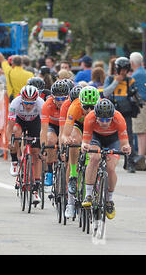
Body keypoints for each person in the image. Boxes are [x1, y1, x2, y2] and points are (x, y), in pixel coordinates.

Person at [81, 99, 132, 219]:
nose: (104, 123)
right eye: (101, 120)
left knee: (110, 168)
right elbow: (86, 140)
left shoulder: (118, 118)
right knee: (94, 158)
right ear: (96, 117)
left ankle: (109, 200)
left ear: (112, 117)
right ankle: (88, 194)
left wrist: (126, 147)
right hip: (96, 137)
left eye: (107, 120)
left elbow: (124, 142)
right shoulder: (90, 117)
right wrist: (85, 145)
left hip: (113, 139)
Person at [60, 86, 100, 218]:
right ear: (81, 103)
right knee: (74, 139)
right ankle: (72, 178)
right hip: (78, 125)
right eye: (86, 107)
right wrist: (67, 139)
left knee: (95, 152)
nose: (89, 110)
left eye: (92, 107)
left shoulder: (101, 108)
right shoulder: (74, 107)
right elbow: (65, 133)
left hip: (94, 127)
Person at [7, 85, 44, 204]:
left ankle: (36, 188)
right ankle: (14, 160)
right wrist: (9, 141)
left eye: (31, 103)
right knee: (15, 132)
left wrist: (43, 143)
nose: (28, 106)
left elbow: (44, 127)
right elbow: (10, 125)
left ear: (36, 101)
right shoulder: (15, 103)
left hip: (35, 122)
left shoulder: (41, 104)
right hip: (20, 120)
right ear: (21, 100)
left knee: (36, 153)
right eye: (26, 103)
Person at [103, 57, 139, 173]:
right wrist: (116, 81)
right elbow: (106, 92)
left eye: (126, 69)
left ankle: (130, 162)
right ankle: (106, 159)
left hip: (126, 111)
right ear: (117, 69)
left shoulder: (130, 80)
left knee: (128, 136)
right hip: (112, 111)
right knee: (108, 135)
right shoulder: (110, 78)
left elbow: (134, 96)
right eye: (121, 69)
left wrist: (135, 96)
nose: (123, 72)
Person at [40, 80, 70, 187]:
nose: (60, 101)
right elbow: (43, 129)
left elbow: (64, 131)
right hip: (52, 126)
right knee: (50, 140)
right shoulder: (47, 105)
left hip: (66, 126)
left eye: (63, 98)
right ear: (52, 97)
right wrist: (43, 146)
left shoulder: (69, 105)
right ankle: (49, 172)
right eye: (57, 98)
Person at [0, 36, 33, 101]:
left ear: (12, 64)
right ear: (21, 63)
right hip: (27, 100)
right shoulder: (30, 74)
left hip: (13, 99)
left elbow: (1, 58)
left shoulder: (9, 71)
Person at [130, 52, 146, 165]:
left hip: (141, 105)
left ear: (132, 62)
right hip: (143, 104)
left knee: (140, 131)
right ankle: (142, 155)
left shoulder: (136, 74)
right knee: (140, 130)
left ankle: (141, 157)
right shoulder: (142, 72)